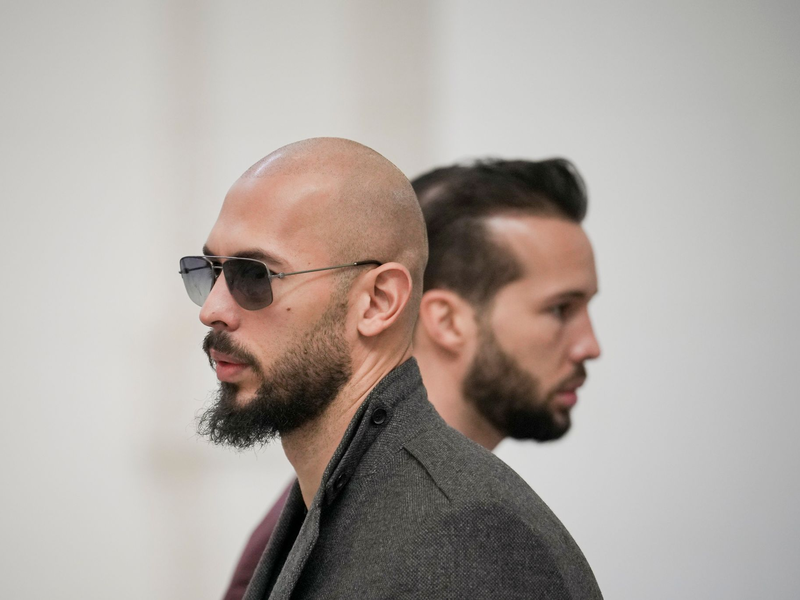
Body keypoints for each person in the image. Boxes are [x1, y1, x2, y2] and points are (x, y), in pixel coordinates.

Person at [182, 138, 602, 599]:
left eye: (253, 273)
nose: (212, 309)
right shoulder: (334, 504)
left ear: (379, 301)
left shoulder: (464, 538)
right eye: (211, 271)